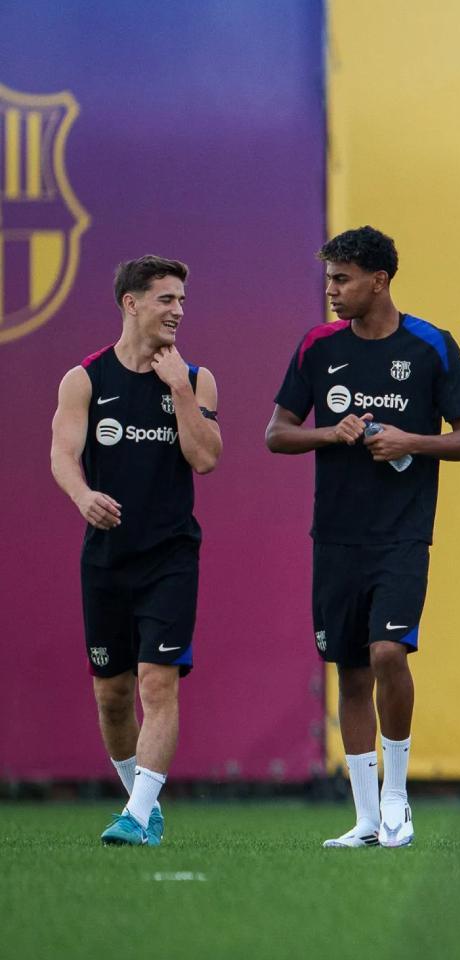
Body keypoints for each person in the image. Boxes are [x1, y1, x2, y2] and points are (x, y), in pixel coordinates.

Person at [265, 226, 460, 849]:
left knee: (389, 652)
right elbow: (276, 432)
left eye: (342, 279)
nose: (331, 291)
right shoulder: (318, 345)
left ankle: (397, 794)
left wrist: (410, 441)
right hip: (335, 534)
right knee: (351, 669)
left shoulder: (431, 346)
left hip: (402, 534)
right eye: (329, 279)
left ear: (379, 280)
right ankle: (365, 818)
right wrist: (330, 433)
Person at [50, 256, 221, 846]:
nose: (178, 311)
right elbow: (62, 456)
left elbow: (206, 457)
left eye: (181, 301)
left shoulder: (195, 377)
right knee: (113, 694)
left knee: (157, 681)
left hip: (170, 556)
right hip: (105, 558)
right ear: (131, 302)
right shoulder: (86, 379)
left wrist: (177, 390)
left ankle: (136, 814)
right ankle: (142, 805)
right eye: (165, 299)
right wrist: (82, 496)